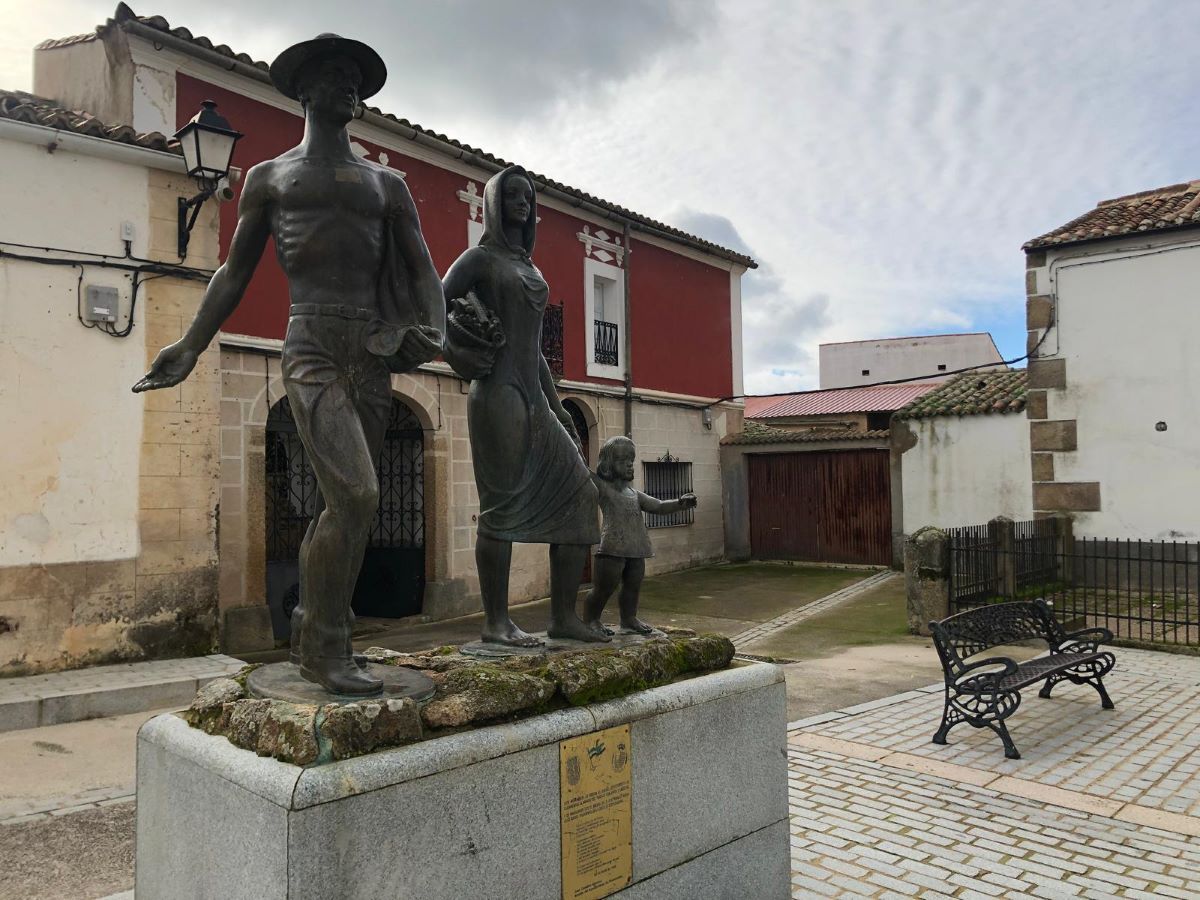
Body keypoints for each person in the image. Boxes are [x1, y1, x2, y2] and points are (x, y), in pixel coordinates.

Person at [132, 35, 444, 694]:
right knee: (358, 494)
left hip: (372, 349)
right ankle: (328, 646)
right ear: (305, 90)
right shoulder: (269, 178)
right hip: (310, 346)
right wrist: (190, 344)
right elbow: (233, 271)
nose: (348, 87)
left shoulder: (389, 185)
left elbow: (422, 272)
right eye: (334, 75)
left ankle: (312, 623)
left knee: (348, 503)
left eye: (356, 79)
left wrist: (433, 333)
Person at [441, 165, 607, 647]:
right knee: (502, 506)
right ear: (495, 203)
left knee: (580, 494)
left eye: (528, 197)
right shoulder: (478, 259)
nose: (523, 203)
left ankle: (563, 617)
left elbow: (532, 347)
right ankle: (496, 621)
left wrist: (556, 408)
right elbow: (434, 300)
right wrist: (458, 345)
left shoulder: (528, 267)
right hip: (497, 395)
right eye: (512, 195)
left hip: (532, 393)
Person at [583, 436, 697, 635]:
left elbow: (659, 506)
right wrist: (573, 442)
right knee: (604, 588)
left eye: (631, 459)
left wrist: (680, 503)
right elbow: (583, 472)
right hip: (612, 548)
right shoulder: (603, 488)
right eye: (622, 460)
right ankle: (591, 620)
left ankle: (629, 619)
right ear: (608, 464)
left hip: (637, 546)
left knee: (633, 586)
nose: (629, 464)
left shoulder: (634, 494)